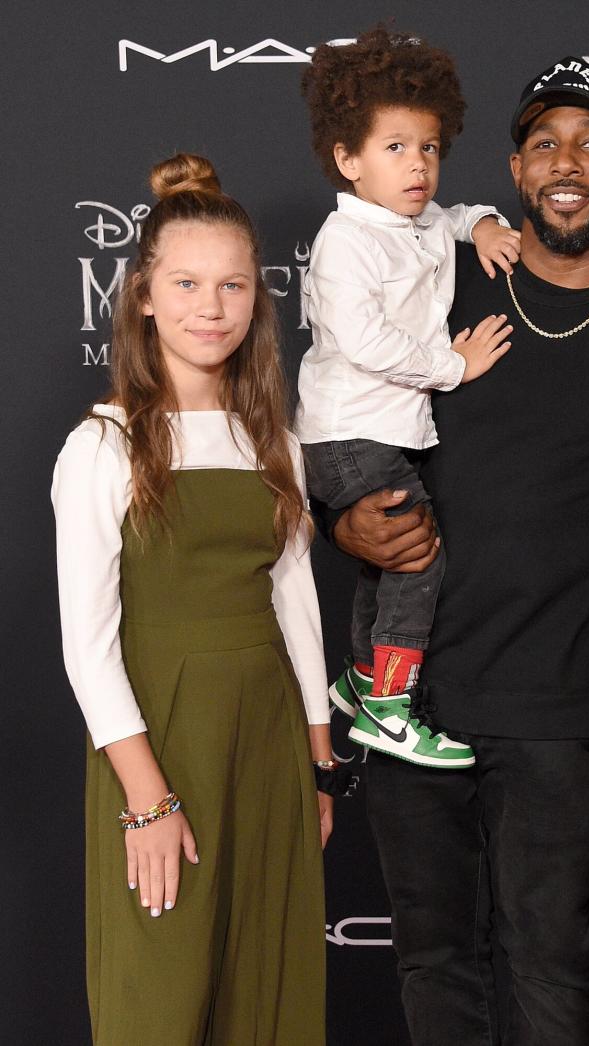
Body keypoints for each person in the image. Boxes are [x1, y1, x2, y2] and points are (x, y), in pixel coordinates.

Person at [330, 58, 589, 1045]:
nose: (566, 163)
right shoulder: (434, 278)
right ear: (517, 171)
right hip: (414, 698)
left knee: (550, 964)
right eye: (544, 144)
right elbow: (334, 428)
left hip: (565, 707)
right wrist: (337, 518)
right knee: (435, 965)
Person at [52, 154, 335, 1046]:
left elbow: (296, 599)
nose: (209, 308)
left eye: (232, 285)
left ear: (258, 299)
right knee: (160, 999)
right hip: (160, 742)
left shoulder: (276, 442)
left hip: (269, 738)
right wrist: (147, 798)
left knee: (268, 989)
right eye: (185, 283)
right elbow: (87, 647)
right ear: (141, 295)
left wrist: (317, 758)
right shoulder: (100, 445)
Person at [295, 27, 520, 768]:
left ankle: (361, 684)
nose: (417, 165)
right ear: (348, 159)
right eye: (395, 148)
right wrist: (451, 366)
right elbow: (366, 343)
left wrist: (482, 221)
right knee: (418, 560)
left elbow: (448, 219)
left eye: (427, 148)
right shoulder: (346, 242)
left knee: (387, 563)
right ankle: (391, 709)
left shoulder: (416, 218)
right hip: (349, 435)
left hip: (383, 432)